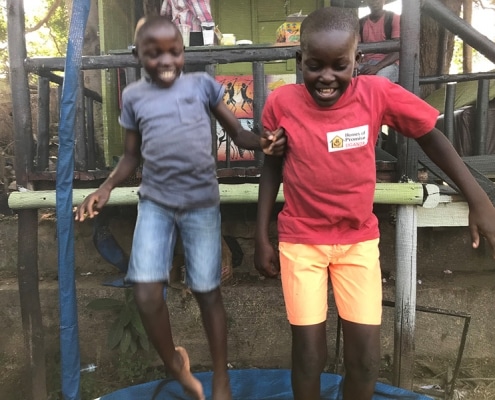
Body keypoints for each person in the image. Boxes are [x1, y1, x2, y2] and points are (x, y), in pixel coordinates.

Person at [254, 7, 495, 400]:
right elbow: (271, 166)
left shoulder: (376, 94)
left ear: (358, 61)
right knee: (309, 355)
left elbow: (430, 135)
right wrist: (261, 234)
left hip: (357, 243)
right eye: (315, 66)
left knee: (365, 359)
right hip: (301, 243)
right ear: (300, 62)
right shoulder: (283, 104)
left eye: (339, 65)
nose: (326, 77)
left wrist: (478, 198)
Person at [76, 16, 285, 400]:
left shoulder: (202, 85)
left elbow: (237, 133)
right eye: (154, 53)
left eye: (173, 51)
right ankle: (174, 363)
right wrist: (105, 188)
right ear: (139, 55)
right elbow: (130, 157)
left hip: (202, 205)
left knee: (208, 291)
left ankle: (220, 378)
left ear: (183, 53)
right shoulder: (134, 97)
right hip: (155, 204)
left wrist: (263, 142)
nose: (166, 60)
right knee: (145, 292)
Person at [358, 0, 400, 82]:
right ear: (367, 2)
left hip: (390, 64)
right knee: (348, 76)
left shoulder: (393, 18)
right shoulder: (361, 22)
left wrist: (377, 67)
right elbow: (357, 50)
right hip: (367, 63)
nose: (375, 2)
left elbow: (397, 52)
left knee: (377, 81)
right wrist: (357, 63)